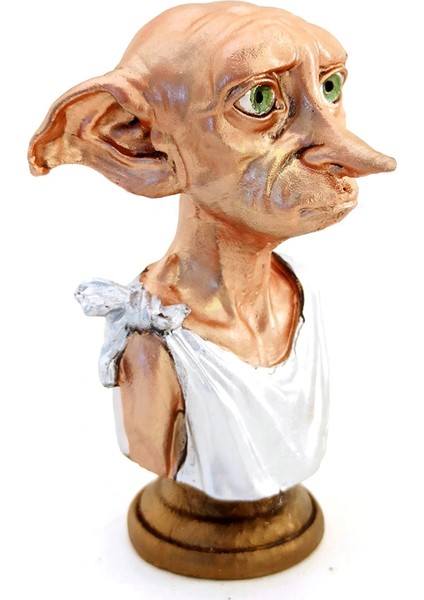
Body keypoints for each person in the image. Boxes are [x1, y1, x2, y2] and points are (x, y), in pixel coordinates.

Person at [29, 1, 396, 502]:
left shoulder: (301, 294)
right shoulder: (152, 337)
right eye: (260, 99)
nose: (347, 153)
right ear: (136, 144)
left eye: (329, 86)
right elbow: (149, 443)